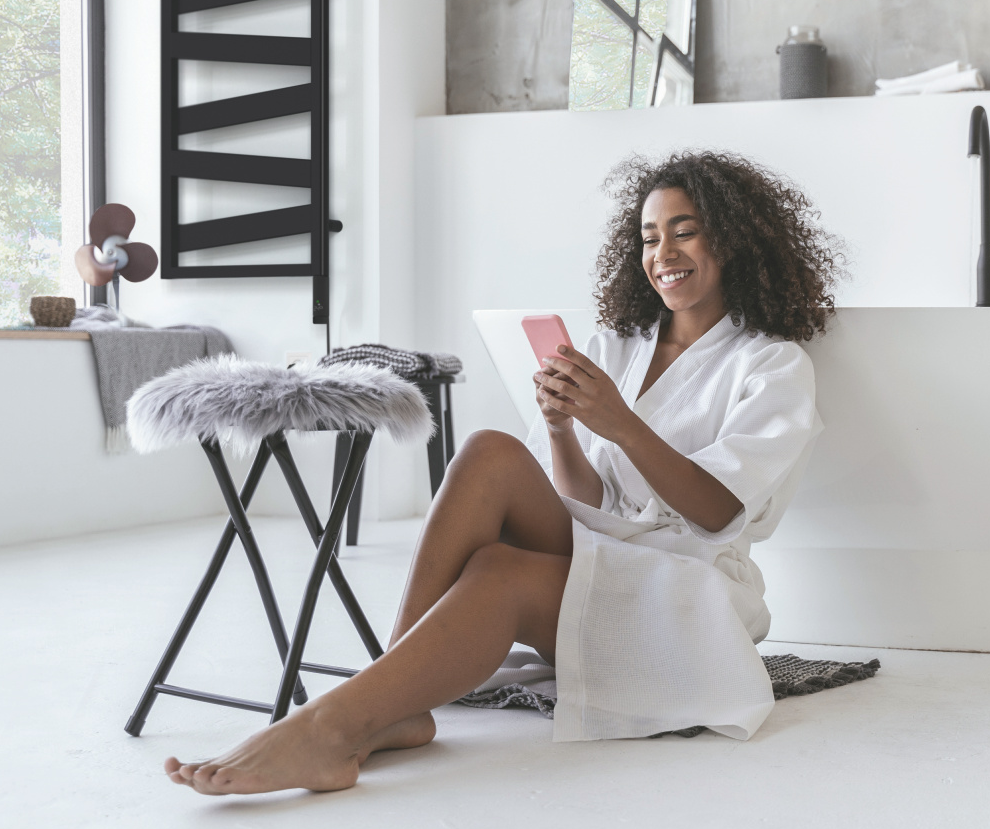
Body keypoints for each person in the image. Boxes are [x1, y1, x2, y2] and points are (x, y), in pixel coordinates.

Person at [165, 150, 841, 795]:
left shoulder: (771, 364)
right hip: (603, 546)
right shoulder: (618, 345)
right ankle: (391, 700)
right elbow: (589, 497)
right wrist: (559, 429)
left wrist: (619, 423)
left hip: (685, 590)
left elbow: (719, 513)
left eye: (684, 232)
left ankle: (330, 727)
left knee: (499, 572)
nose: (661, 254)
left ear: (732, 240)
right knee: (489, 450)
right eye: (648, 237)